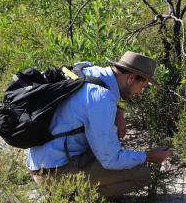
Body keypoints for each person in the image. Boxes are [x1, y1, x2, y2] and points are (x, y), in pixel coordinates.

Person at [28, 51, 171, 198]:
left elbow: (89, 100)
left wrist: (118, 110)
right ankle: (71, 196)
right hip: (53, 174)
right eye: (143, 85)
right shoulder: (102, 98)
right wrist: (149, 156)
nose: (140, 92)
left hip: (41, 163)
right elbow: (110, 160)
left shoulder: (88, 71)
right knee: (140, 173)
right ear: (131, 78)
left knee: (110, 144)